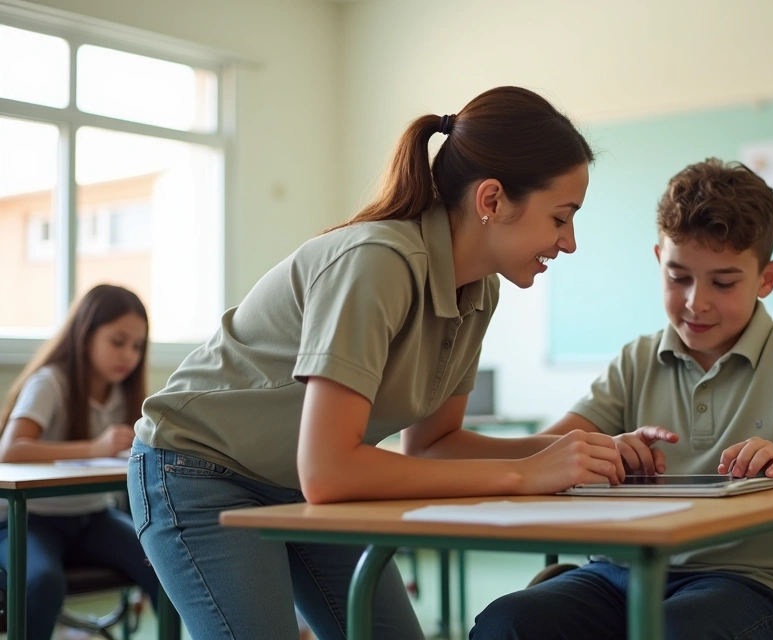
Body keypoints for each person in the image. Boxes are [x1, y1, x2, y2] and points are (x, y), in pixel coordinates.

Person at [128, 86, 625, 640]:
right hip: (198, 470)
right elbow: (330, 472)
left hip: (294, 478)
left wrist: (575, 456)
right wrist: (524, 473)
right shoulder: (378, 261)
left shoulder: (480, 291)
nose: (571, 242)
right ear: (491, 200)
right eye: (561, 218)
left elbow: (435, 446)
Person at [471, 158, 773, 640]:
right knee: (508, 624)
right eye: (678, 277)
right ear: (658, 261)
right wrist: (605, 449)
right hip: (622, 569)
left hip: (749, 581)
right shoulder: (638, 358)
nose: (696, 301)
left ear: (767, 279)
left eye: (723, 282)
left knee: (675, 633)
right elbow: (552, 449)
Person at [0, 284, 161, 640]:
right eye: (117, 341)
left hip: (92, 518)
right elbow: (10, 450)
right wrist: (94, 448)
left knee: (166, 564)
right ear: (85, 334)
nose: (129, 355)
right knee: (42, 582)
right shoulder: (50, 383)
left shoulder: (125, 394)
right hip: (28, 522)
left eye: (137, 345)